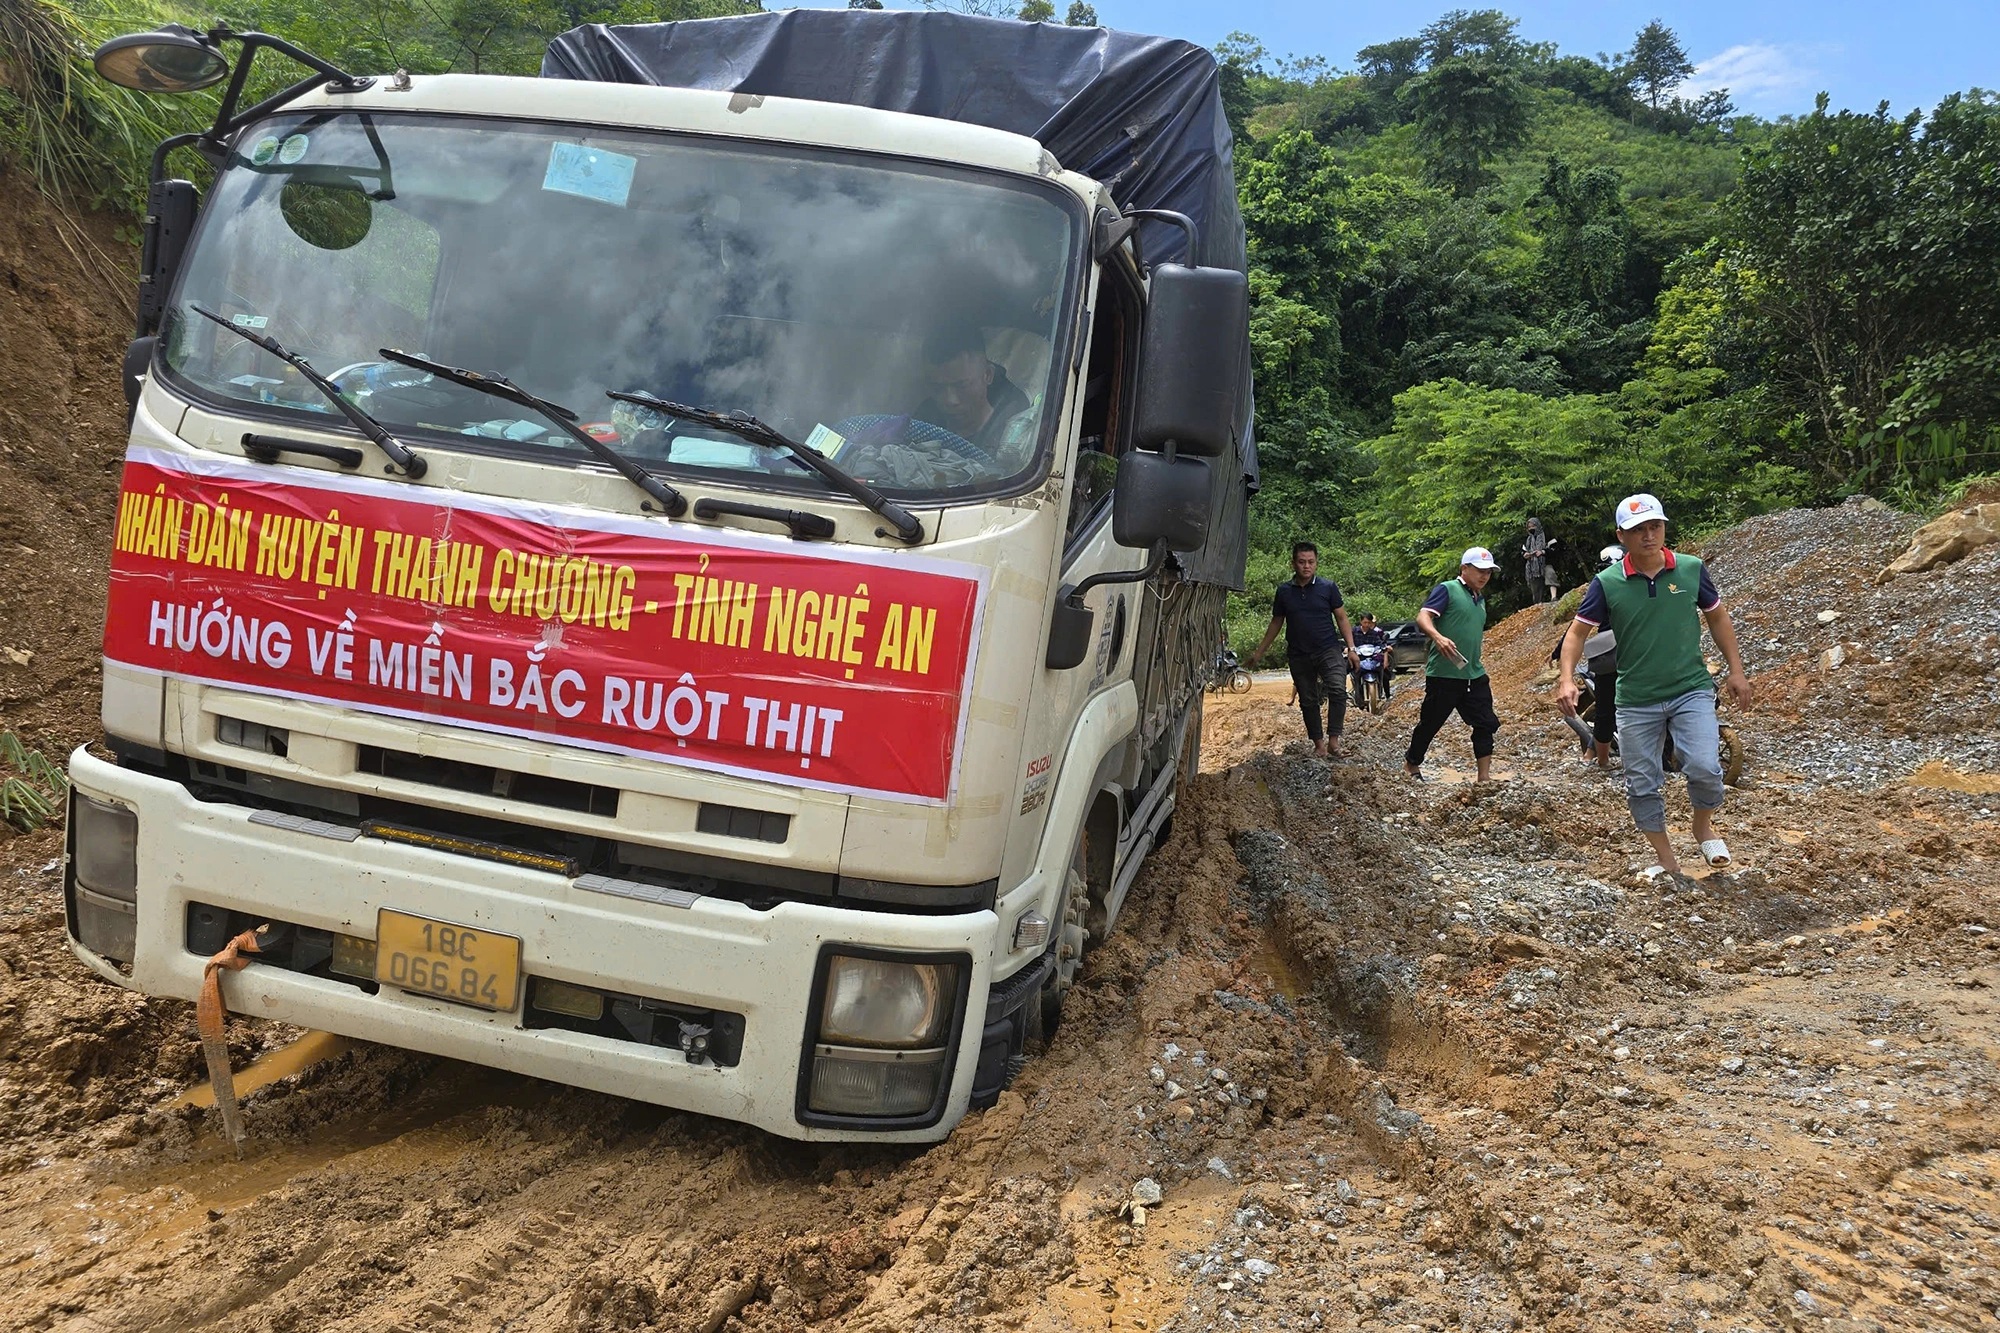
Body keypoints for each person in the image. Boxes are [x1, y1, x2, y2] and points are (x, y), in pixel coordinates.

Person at [1555, 493, 1752, 877]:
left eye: (1655, 526)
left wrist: (1736, 670)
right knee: (1641, 783)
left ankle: (1702, 825)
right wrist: (1566, 678)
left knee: (1705, 767)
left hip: (1690, 688)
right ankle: (1666, 860)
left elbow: (1717, 619)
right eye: (1638, 530)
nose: (1648, 536)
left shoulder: (1691, 569)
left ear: (1664, 527)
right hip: (1635, 700)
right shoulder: (1607, 583)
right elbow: (1577, 634)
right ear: (1621, 536)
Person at [1248, 542, 1361, 758]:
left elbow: (1342, 618)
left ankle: (1334, 742)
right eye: (1301, 562)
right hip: (1299, 653)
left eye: (1310, 562)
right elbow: (1276, 622)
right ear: (1293, 563)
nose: (1306, 566)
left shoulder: (1328, 588)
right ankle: (1318, 745)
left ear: (1316, 563)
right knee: (1308, 699)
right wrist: (1259, 652)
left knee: (1337, 689)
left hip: (1328, 649)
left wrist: (1351, 648)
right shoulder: (1284, 591)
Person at [1404, 547, 1501, 782]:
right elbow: (1423, 616)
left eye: (1488, 572)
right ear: (1464, 569)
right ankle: (1412, 764)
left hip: (1473, 673)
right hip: (1444, 674)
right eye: (1479, 570)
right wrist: (1438, 637)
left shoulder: (1480, 599)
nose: (1484, 576)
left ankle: (1484, 778)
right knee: (1430, 722)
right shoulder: (1448, 589)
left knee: (1486, 722)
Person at [915, 326, 1034, 466]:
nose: (950, 400)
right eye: (937, 387)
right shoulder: (922, 424)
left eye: (962, 386)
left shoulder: (1013, 436)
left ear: (988, 375)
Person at [1352, 611, 1392, 706]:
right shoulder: (1354, 632)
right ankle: (1353, 695)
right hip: (1359, 658)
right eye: (1365, 622)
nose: (1367, 624)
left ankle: (1386, 695)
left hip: (1373, 658)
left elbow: (1380, 643)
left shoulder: (1375, 633)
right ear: (1361, 622)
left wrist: (1385, 649)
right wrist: (1348, 649)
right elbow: (1349, 642)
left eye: (1369, 622)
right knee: (1350, 671)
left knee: (1385, 673)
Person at [1523, 517, 1558, 603]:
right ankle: (1538, 604)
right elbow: (1523, 552)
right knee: (1535, 588)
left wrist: (1542, 552)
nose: (1531, 528)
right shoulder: (1528, 540)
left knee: (1550, 574)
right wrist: (1526, 555)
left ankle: (1554, 597)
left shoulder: (1547, 536)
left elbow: (1555, 549)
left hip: (1545, 562)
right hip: (1532, 567)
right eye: (1529, 527)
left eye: (1533, 526)